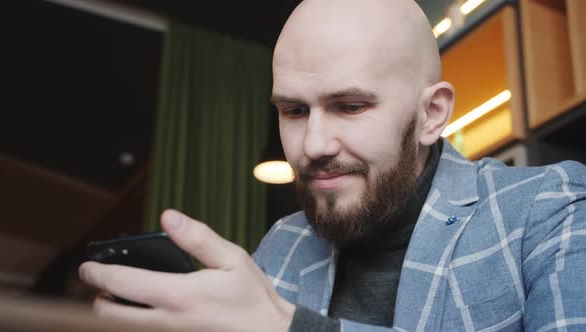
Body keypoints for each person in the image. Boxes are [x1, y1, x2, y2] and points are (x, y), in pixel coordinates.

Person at [79, 0, 586, 331]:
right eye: (294, 111)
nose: (313, 144)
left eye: (351, 106)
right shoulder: (282, 246)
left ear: (431, 114)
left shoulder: (550, 209)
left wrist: (291, 329)